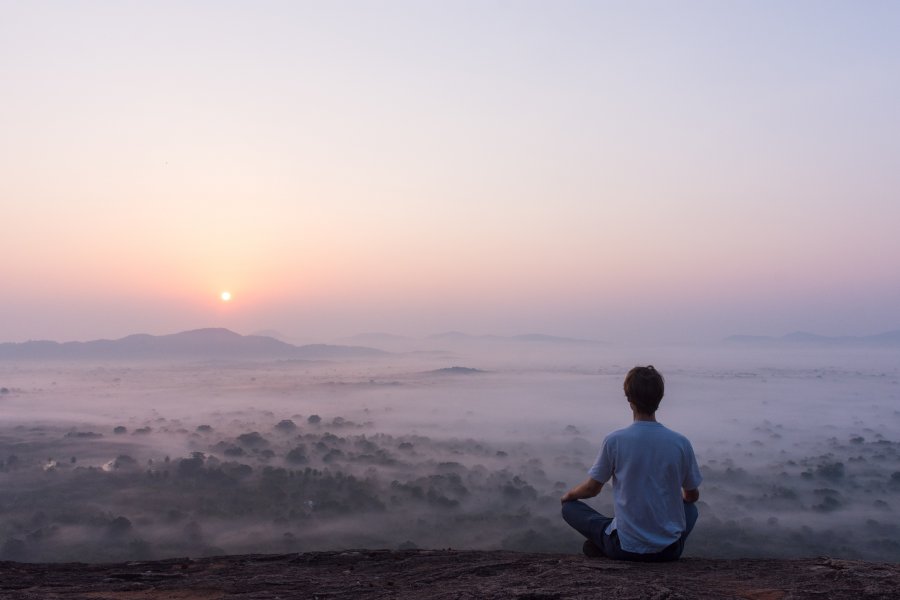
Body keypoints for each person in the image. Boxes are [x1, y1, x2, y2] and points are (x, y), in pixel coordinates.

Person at [560, 365, 702, 561]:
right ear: (659, 399)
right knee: (691, 510)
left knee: (569, 508)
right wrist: (669, 506)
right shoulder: (680, 443)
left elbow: (592, 489)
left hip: (625, 549)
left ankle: (608, 541)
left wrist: (568, 495)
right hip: (670, 551)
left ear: (629, 399)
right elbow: (692, 496)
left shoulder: (615, 441)